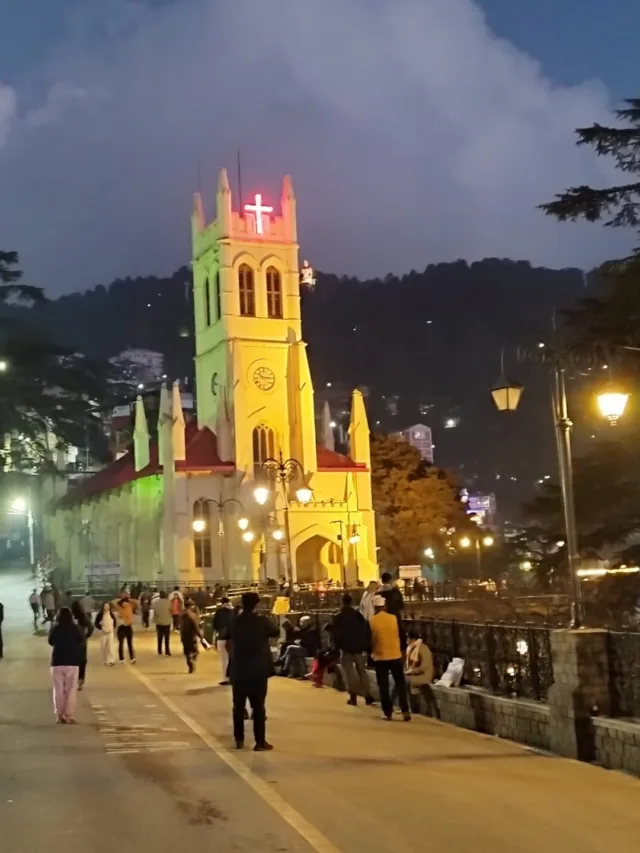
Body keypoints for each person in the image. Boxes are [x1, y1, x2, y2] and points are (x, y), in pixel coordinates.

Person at [229, 592, 278, 751]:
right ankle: (260, 742)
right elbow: (275, 631)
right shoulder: (261, 621)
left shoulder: (235, 622)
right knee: (258, 707)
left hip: (239, 670)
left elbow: (227, 635)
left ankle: (239, 740)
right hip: (258, 670)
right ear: (256, 604)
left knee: (238, 707)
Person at [369, 595, 410, 722]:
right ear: (385, 606)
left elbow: (368, 639)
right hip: (395, 655)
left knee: (383, 686)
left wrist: (371, 653)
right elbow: (402, 635)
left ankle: (387, 713)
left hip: (380, 656)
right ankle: (405, 710)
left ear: (374, 607)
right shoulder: (393, 618)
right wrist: (401, 649)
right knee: (400, 683)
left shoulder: (371, 620)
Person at [332, 593, 374, 706]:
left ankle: (353, 697)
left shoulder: (339, 617)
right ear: (351, 602)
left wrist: (337, 647)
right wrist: (366, 646)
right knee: (362, 672)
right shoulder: (359, 615)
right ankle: (367, 695)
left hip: (346, 649)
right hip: (359, 649)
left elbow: (335, 635)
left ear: (342, 602)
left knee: (349, 673)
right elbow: (366, 631)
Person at [48, 607, 84, 723]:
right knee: (71, 690)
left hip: (57, 662)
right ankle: (69, 716)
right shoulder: (75, 628)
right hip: (72, 661)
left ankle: (59, 715)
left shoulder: (55, 627)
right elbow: (81, 640)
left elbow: (50, 641)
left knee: (58, 689)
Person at [403, 626, 436, 714]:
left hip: (424, 676)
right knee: (401, 679)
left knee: (404, 681)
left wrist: (410, 672)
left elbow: (424, 667)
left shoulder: (422, 649)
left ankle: (410, 708)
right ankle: (410, 707)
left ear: (413, 639)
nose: (406, 640)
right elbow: (408, 665)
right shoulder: (412, 649)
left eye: (407, 638)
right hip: (416, 675)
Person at [71, 600, 94, 689]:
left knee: (72, 661)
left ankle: (73, 680)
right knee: (82, 661)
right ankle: (80, 680)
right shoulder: (84, 617)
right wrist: (86, 635)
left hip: (72, 643)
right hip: (82, 642)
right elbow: (91, 627)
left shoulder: (70, 617)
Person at [213, 596, 234, 685]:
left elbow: (215, 625)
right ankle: (233, 678)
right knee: (233, 659)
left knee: (224, 659)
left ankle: (225, 678)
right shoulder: (234, 611)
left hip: (222, 638)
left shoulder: (219, 612)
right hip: (233, 639)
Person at [180, 598, 204, 673]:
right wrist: (200, 636)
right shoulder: (192, 615)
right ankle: (192, 659)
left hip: (184, 636)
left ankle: (189, 661)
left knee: (187, 651)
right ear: (191, 606)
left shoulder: (182, 615)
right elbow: (196, 626)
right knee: (195, 650)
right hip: (192, 635)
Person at [114, 592, 137, 663]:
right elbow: (113, 602)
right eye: (124, 602)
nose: (125, 604)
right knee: (121, 643)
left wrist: (129, 599)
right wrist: (121, 599)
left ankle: (132, 657)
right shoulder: (119, 606)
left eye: (126, 602)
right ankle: (122, 658)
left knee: (129, 643)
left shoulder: (130, 605)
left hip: (128, 626)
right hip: (122, 627)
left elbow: (137, 602)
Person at [95, 602, 117, 666]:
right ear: (103, 607)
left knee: (110, 646)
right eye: (105, 606)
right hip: (103, 633)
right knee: (103, 646)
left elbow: (114, 622)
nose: (107, 607)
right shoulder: (100, 615)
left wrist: (112, 628)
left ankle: (111, 660)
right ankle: (105, 660)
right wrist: (101, 628)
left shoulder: (111, 614)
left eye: (108, 606)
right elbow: (96, 623)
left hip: (110, 632)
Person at [153, 590, 172, 656]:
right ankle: (167, 651)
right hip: (167, 622)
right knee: (167, 638)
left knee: (159, 637)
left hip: (159, 622)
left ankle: (159, 650)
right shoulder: (168, 602)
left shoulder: (156, 602)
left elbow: (155, 611)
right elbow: (171, 610)